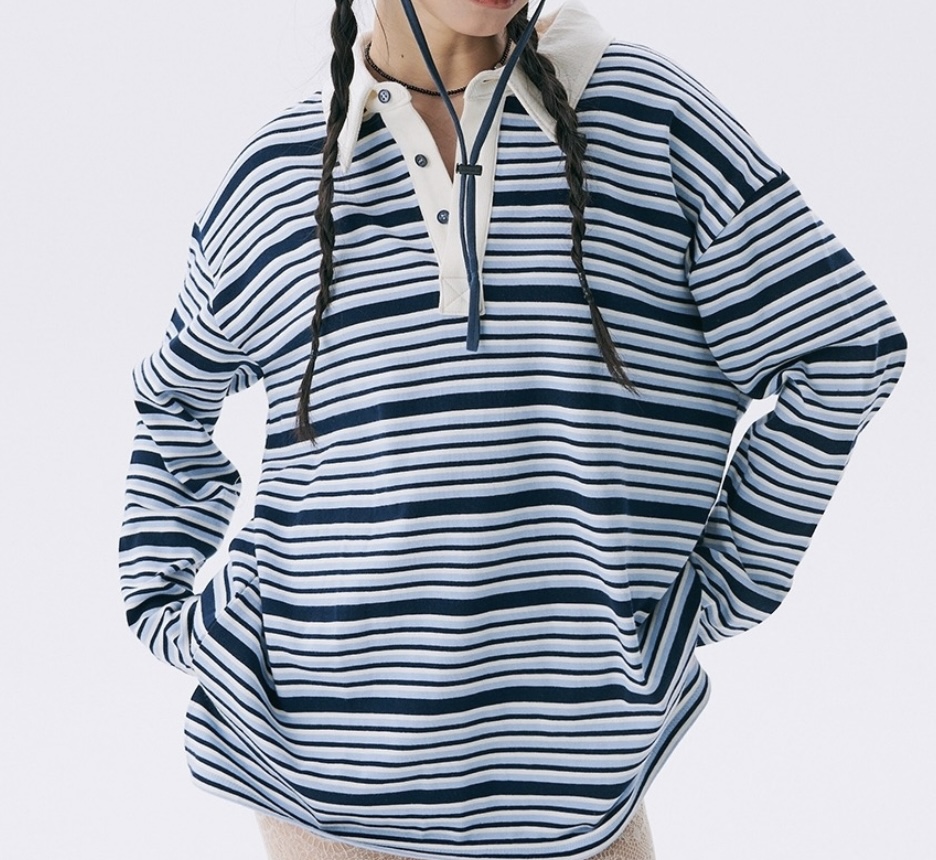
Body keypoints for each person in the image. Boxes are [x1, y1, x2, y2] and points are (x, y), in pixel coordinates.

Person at [119, 1, 907, 859]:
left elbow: (845, 347)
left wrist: (726, 584)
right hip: (316, 779)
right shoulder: (281, 175)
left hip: (580, 786)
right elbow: (173, 403)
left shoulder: (646, 118)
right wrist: (168, 606)